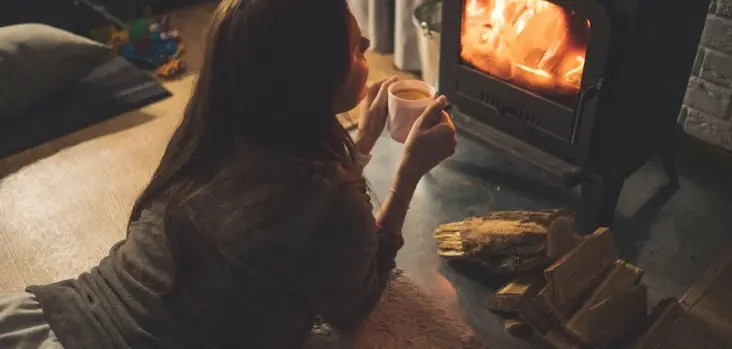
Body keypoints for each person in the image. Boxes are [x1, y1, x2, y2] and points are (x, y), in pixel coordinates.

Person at [0, 0, 457, 348]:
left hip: (56, 315)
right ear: (307, 80)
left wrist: (361, 147)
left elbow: (290, 213)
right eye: (355, 48)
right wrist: (408, 175)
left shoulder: (210, 136)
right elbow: (355, 305)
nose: (368, 48)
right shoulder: (327, 204)